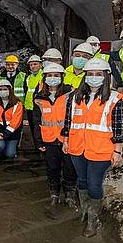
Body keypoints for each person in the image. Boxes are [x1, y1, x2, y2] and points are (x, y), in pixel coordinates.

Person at [63, 57, 123, 237]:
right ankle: (85, 210)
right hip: (77, 147)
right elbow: (69, 122)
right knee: (81, 181)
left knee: (93, 184)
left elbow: (119, 127)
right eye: (90, 74)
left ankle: (94, 220)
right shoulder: (75, 96)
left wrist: (117, 150)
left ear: (106, 76)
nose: (93, 77)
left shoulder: (116, 98)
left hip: (101, 149)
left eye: (98, 74)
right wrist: (66, 141)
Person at [32, 62, 78, 208]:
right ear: (44, 78)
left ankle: (70, 194)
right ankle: (54, 193)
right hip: (49, 140)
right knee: (52, 168)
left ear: (62, 77)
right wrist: (38, 142)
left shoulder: (70, 94)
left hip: (67, 139)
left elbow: (75, 117)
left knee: (70, 168)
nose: (53, 78)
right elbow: (36, 121)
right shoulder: (39, 97)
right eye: (50, 75)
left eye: (56, 75)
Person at [0, 79, 24, 160]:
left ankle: (9, 147)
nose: (3, 91)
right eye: (0, 89)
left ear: (10, 90)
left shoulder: (17, 103)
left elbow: (16, 122)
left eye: (5, 89)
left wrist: (4, 135)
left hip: (13, 132)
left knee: (10, 154)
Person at [24, 55, 44, 150]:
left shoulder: (43, 76)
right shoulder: (28, 78)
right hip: (29, 107)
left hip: (39, 107)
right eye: (31, 65)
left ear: (40, 65)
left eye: (35, 64)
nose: (33, 66)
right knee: (33, 128)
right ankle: (37, 146)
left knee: (39, 127)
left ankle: (42, 145)